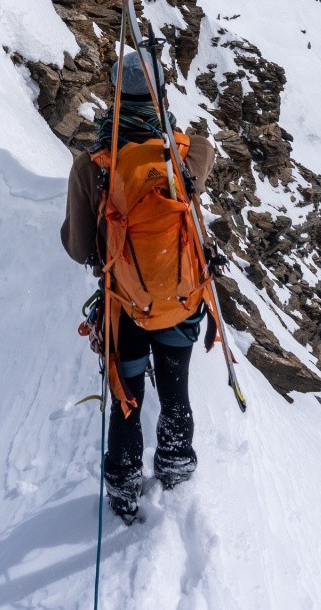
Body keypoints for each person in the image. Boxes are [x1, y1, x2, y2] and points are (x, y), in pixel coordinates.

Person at [61, 50, 216, 524]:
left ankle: (124, 486)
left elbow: (77, 245)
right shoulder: (195, 151)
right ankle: (174, 466)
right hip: (181, 300)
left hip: (124, 305)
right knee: (176, 390)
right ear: (160, 92)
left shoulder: (93, 166)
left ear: (115, 96)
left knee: (127, 398)